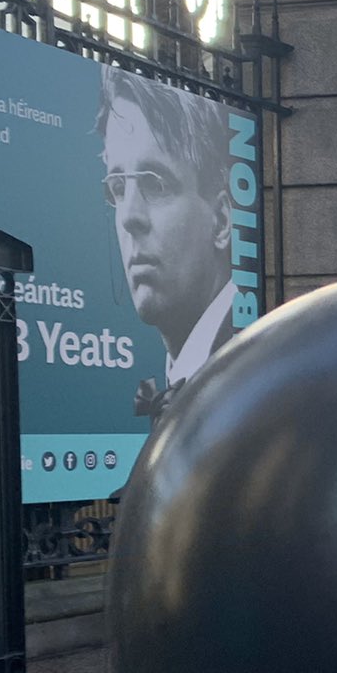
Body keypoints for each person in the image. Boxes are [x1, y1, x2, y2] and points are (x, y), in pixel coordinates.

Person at [99, 69, 237, 419]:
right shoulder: (176, 376)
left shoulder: (249, 366)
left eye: (155, 184)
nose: (129, 216)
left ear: (221, 220)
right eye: (118, 187)